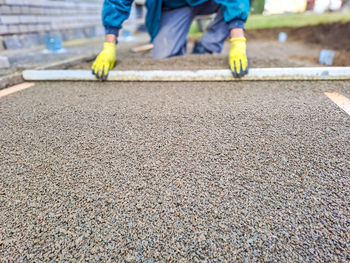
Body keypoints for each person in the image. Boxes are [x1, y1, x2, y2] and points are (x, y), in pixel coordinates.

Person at [92, 0, 250, 80]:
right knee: (163, 59)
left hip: (210, 2)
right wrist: (109, 45)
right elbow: (116, 2)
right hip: (174, 6)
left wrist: (237, 41)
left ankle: (208, 45)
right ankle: (179, 46)